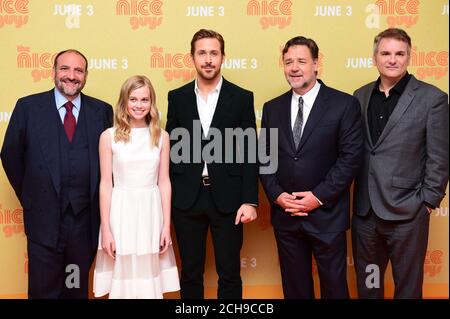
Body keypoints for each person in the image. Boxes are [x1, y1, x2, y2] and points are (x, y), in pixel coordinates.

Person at [0, 49, 113, 298]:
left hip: (84, 224)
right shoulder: (28, 107)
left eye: (78, 70)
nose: (71, 76)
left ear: (85, 76)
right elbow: (10, 155)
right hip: (43, 221)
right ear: (53, 72)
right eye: (65, 69)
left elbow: (111, 165)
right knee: (43, 291)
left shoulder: (102, 112)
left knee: (75, 287)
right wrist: (31, 197)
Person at [259, 36, 363, 299]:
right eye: (288, 62)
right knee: (295, 290)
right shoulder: (272, 108)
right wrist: (277, 196)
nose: (294, 67)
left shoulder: (344, 104)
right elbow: (264, 157)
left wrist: (317, 197)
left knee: (334, 288)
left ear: (317, 64)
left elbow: (350, 158)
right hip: (286, 216)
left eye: (302, 61)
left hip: (327, 215)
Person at [352, 28, 449, 299]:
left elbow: (440, 156)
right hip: (365, 214)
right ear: (375, 58)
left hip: (408, 214)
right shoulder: (359, 96)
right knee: (369, 285)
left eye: (399, 54)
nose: (392, 59)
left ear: (409, 57)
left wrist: (428, 201)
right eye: (385, 53)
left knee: (407, 288)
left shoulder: (433, 99)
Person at [166, 29, 258, 299]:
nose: (208, 59)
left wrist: (250, 200)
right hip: (186, 199)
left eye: (213, 53)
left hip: (229, 199)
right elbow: (171, 151)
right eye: (202, 53)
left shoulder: (242, 97)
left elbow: (249, 152)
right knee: (191, 272)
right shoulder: (177, 97)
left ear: (223, 57)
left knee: (229, 273)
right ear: (192, 57)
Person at [92, 75, 180, 298]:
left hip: (151, 213)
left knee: (148, 277)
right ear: (124, 102)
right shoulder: (108, 137)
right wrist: (106, 229)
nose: (139, 105)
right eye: (133, 99)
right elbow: (105, 184)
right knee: (122, 274)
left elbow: (164, 182)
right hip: (120, 213)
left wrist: (165, 226)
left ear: (152, 103)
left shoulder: (161, 136)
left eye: (145, 100)